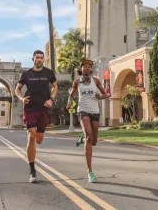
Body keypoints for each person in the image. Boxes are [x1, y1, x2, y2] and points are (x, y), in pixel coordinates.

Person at [15, 50, 58, 183]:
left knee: (39, 139)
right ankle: (32, 171)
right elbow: (17, 89)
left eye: (41, 58)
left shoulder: (49, 73)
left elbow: (55, 87)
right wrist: (22, 98)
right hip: (30, 108)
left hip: (43, 108)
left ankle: (33, 165)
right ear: (32, 59)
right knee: (31, 135)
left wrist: (51, 99)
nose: (39, 59)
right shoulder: (26, 74)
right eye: (37, 58)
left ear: (43, 59)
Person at [67, 59, 109, 183]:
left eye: (88, 67)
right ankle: (90, 172)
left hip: (95, 112)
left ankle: (82, 138)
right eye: (84, 67)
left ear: (91, 70)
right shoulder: (77, 82)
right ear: (81, 70)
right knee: (89, 137)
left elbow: (104, 95)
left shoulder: (96, 81)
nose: (86, 68)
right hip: (83, 111)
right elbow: (72, 95)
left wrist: (100, 96)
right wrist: (69, 102)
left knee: (94, 141)